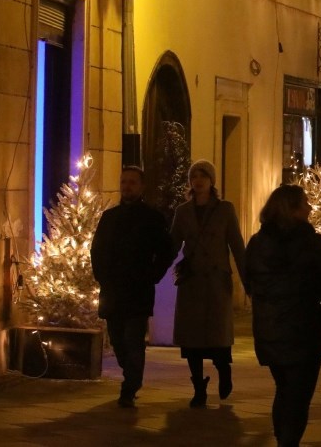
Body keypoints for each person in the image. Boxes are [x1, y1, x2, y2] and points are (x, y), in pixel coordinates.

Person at [244, 184, 321, 447]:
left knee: (284, 388)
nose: (310, 208)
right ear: (292, 210)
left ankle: (283, 437)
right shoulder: (311, 243)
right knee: (298, 394)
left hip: (269, 331)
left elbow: (248, 282)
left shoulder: (257, 244)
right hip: (303, 331)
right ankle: (288, 441)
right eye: (305, 203)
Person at [90, 165, 174, 408]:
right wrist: (102, 277)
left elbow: (166, 251)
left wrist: (153, 275)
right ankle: (131, 374)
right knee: (117, 340)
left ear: (141, 186)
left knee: (133, 339)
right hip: (113, 290)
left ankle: (130, 386)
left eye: (132, 182)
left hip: (138, 290)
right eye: (124, 181)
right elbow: (97, 250)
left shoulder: (152, 218)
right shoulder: (109, 218)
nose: (127, 186)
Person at [171, 159, 246, 408]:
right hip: (192, 282)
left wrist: (248, 281)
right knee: (192, 341)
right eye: (195, 176)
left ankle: (224, 372)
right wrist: (155, 269)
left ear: (211, 181)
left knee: (218, 337)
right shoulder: (182, 211)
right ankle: (198, 387)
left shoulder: (225, 209)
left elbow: (236, 245)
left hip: (216, 281)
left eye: (203, 176)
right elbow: (172, 244)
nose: (199, 181)